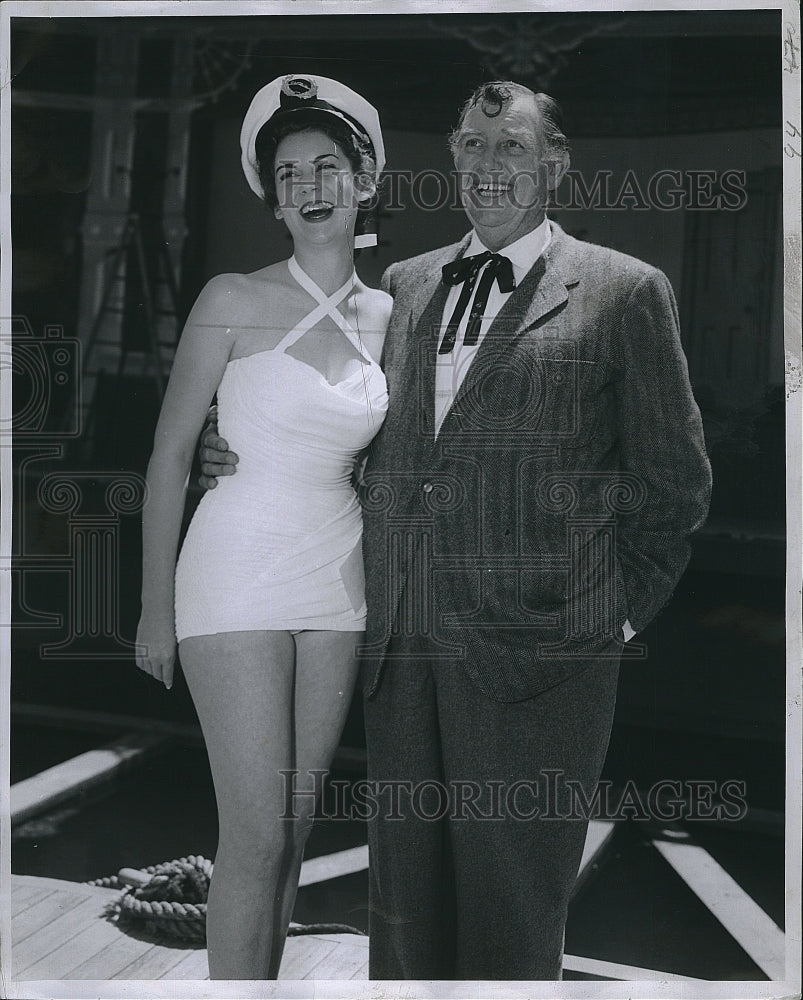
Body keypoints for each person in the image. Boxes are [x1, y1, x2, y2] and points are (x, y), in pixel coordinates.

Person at [201, 80, 712, 980]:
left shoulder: (626, 292)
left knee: (512, 919)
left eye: (509, 148)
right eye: (471, 149)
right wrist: (234, 443)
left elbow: (674, 484)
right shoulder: (405, 284)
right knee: (403, 923)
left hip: (543, 661)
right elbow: (364, 443)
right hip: (404, 653)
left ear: (553, 165)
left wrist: (608, 622)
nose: (486, 168)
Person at [135, 74, 391, 979]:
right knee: (249, 833)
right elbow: (169, 457)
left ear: (364, 180)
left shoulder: (392, 315)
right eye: (288, 175)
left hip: (338, 578)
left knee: (291, 833)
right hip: (234, 567)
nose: (310, 187)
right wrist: (153, 611)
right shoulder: (229, 297)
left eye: (327, 166)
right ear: (273, 199)